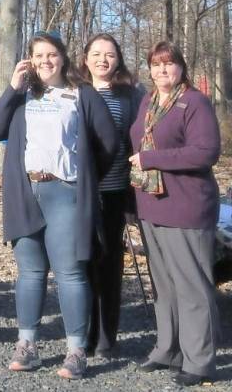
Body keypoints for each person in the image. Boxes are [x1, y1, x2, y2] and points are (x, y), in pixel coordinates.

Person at [0, 31, 118, 380]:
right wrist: (13, 88)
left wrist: (84, 175)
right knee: (29, 272)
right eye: (39, 55)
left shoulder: (80, 94)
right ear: (30, 59)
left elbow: (108, 142)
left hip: (65, 193)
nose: (46, 61)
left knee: (70, 273)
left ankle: (76, 351)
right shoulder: (23, 95)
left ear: (63, 57)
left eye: (52, 54)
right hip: (25, 193)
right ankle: (27, 345)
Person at [130, 41, 220, 387]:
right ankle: (168, 348)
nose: (162, 71)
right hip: (151, 206)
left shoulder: (194, 103)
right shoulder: (149, 101)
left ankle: (200, 360)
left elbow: (204, 152)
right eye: (155, 65)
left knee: (192, 286)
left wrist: (152, 160)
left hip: (186, 207)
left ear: (181, 67)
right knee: (164, 287)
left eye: (168, 64)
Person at [78, 33, 143, 358]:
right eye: (97, 53)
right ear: (85, 57)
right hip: (77, 194)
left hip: (114, 191)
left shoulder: (130, 95)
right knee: (82, 264)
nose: (103, 60)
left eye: (111, 55)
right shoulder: (73, 92)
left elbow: (141, 139)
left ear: (118, 60)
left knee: (109, 265)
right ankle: (82, 336)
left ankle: (106, 337)